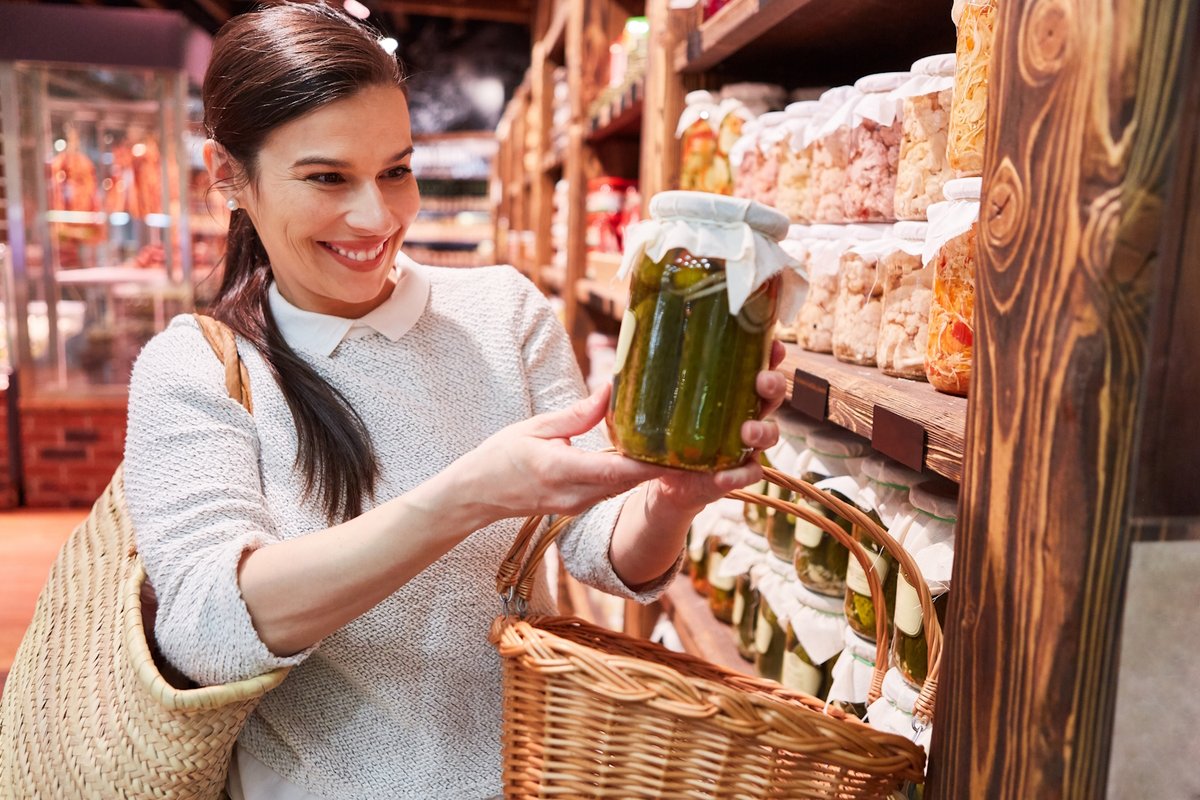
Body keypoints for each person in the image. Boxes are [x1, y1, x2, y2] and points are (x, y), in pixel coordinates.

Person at [123, 4, 786, 798]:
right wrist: (467, 498)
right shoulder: (195, 369)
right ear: (227, 176)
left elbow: (590, 549)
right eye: (328, 178)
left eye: (397, 170)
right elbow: (206, 630)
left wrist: (671, 500)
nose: (378, 217)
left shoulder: (504, 310)